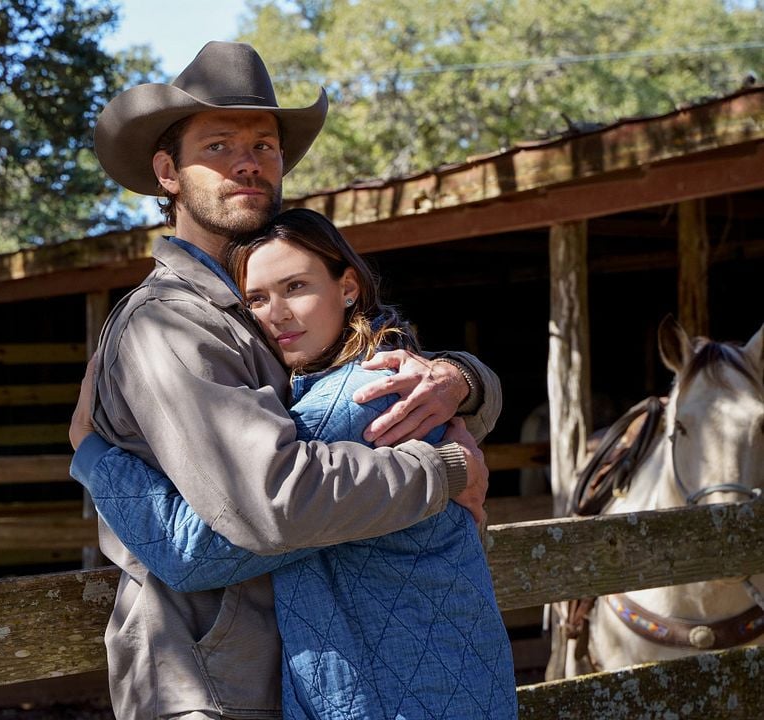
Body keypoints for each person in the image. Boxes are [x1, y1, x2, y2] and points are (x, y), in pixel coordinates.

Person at [73, 40, 502, 719]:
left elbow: (378, 374)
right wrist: (444, 471)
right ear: (168, 172)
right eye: (217, 146)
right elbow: (273, 502)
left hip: (305, 668)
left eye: (264, 146)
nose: (248, 162)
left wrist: (463, 379)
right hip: (209, 681)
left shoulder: (263, 302)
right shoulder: (170, 324)